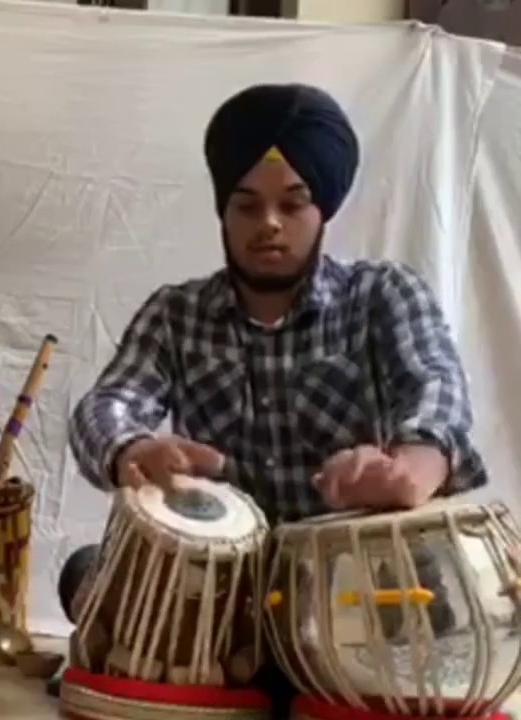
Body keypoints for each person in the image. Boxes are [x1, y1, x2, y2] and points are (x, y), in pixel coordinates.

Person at [60, 82, 487, 716]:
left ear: (325, 210)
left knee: (448, 600)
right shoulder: (177, 314)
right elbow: (107, 405)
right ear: (222, 211)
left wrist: (412, 469)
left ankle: (269, 677)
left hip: (355, 598)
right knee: (85, 573)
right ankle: (255, 669)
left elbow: (436, 385)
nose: (269, 225)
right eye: (246, 205)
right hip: (223, 600)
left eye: (293, 204)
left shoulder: (381, 296)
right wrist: (134, 448)